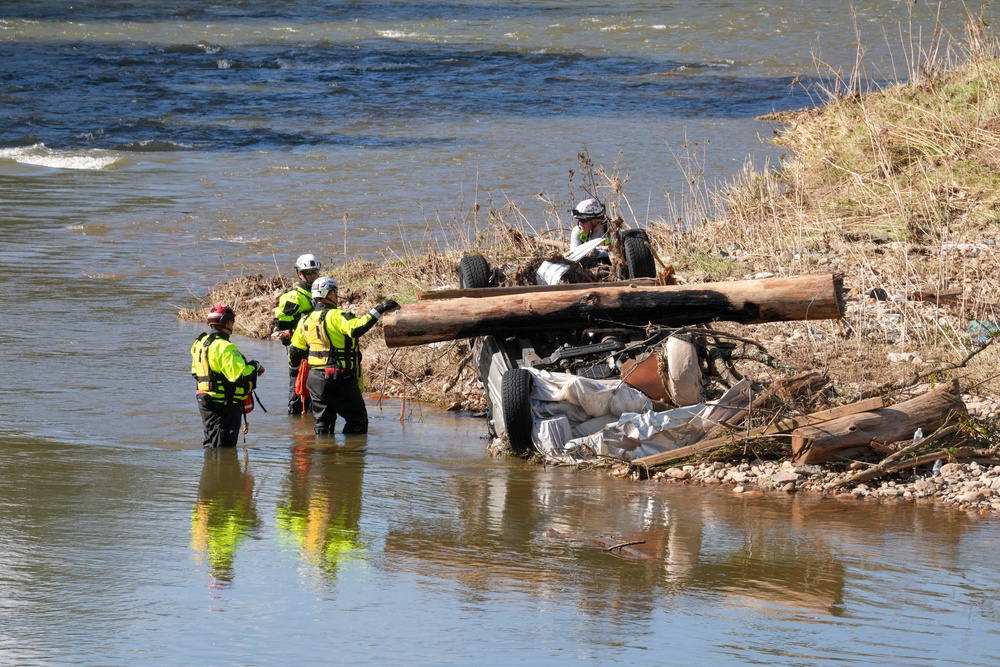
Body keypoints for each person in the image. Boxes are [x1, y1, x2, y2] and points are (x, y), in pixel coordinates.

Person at [288, 276, 399, 435]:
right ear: (330, 294)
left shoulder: (305, 320)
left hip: (315, 379)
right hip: (339, 377)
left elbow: (294, 353)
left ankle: (324, 456)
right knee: (357, 420)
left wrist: (295, 374)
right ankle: (351, 456)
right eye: (335, 292)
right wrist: (379, 309)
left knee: (323, 423)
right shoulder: (337, 316)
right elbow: (357, 328)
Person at [190, 304, 264, 448]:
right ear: (227, 322)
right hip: (224, 404)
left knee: (212, 443)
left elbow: (195, 373)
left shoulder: (199, 344)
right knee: (223, 448)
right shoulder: (225, 347)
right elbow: (239, 375)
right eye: (232, 321)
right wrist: (255, 365)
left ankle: (211, 469)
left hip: (206, 400)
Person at [274, 253, 321, 415]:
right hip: (299, 349)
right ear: (299, 273)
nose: (313, 276)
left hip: (319, 348)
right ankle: (296, 426)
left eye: (315, 271)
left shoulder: (321, 291)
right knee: (298, 387)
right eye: (308, 273)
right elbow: (280, 322)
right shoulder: (293, 296)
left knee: (318, 390)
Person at [569, 198, 611, 266]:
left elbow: (617, 252)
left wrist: (597, 253)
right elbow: (574, 255)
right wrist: (600, 249)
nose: (580, 223)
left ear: (595, 220)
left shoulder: (609, 229)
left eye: (583, 220)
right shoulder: (577, 231)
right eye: (578, 220)